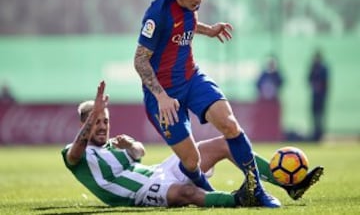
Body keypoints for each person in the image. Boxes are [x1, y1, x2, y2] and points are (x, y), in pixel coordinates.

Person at [135, 0, 300, 208]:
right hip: (163, 95)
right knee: (191, 162)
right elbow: (139, 61)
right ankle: (213, 195)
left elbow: (185, 24)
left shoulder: (190, 3)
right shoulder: (157, 13)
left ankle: (257, 190)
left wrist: (209, 30)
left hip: (191, 79)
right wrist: (161, 96)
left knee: (230, 124)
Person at [61, 81, 324, 208]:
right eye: (97, 122)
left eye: (104, 120)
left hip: (158, 171)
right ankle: (239, 199)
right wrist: (94, 113)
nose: (103, 126)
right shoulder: (76, 156)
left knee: (224, 143)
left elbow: (140, 153)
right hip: (141, 193)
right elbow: (76, 150)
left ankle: (288, 184)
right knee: (185, 195)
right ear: (85, 124)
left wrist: (131, 144)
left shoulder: (111, 147)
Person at [308, 51, 329, 142]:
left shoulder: (324, 68)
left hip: (321, 96)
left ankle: (320, 134)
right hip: (314, 96)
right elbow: (308, 79)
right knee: (314, 115)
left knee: (320, 115)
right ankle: (315, 134)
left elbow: (325, 82)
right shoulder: (312, 67)